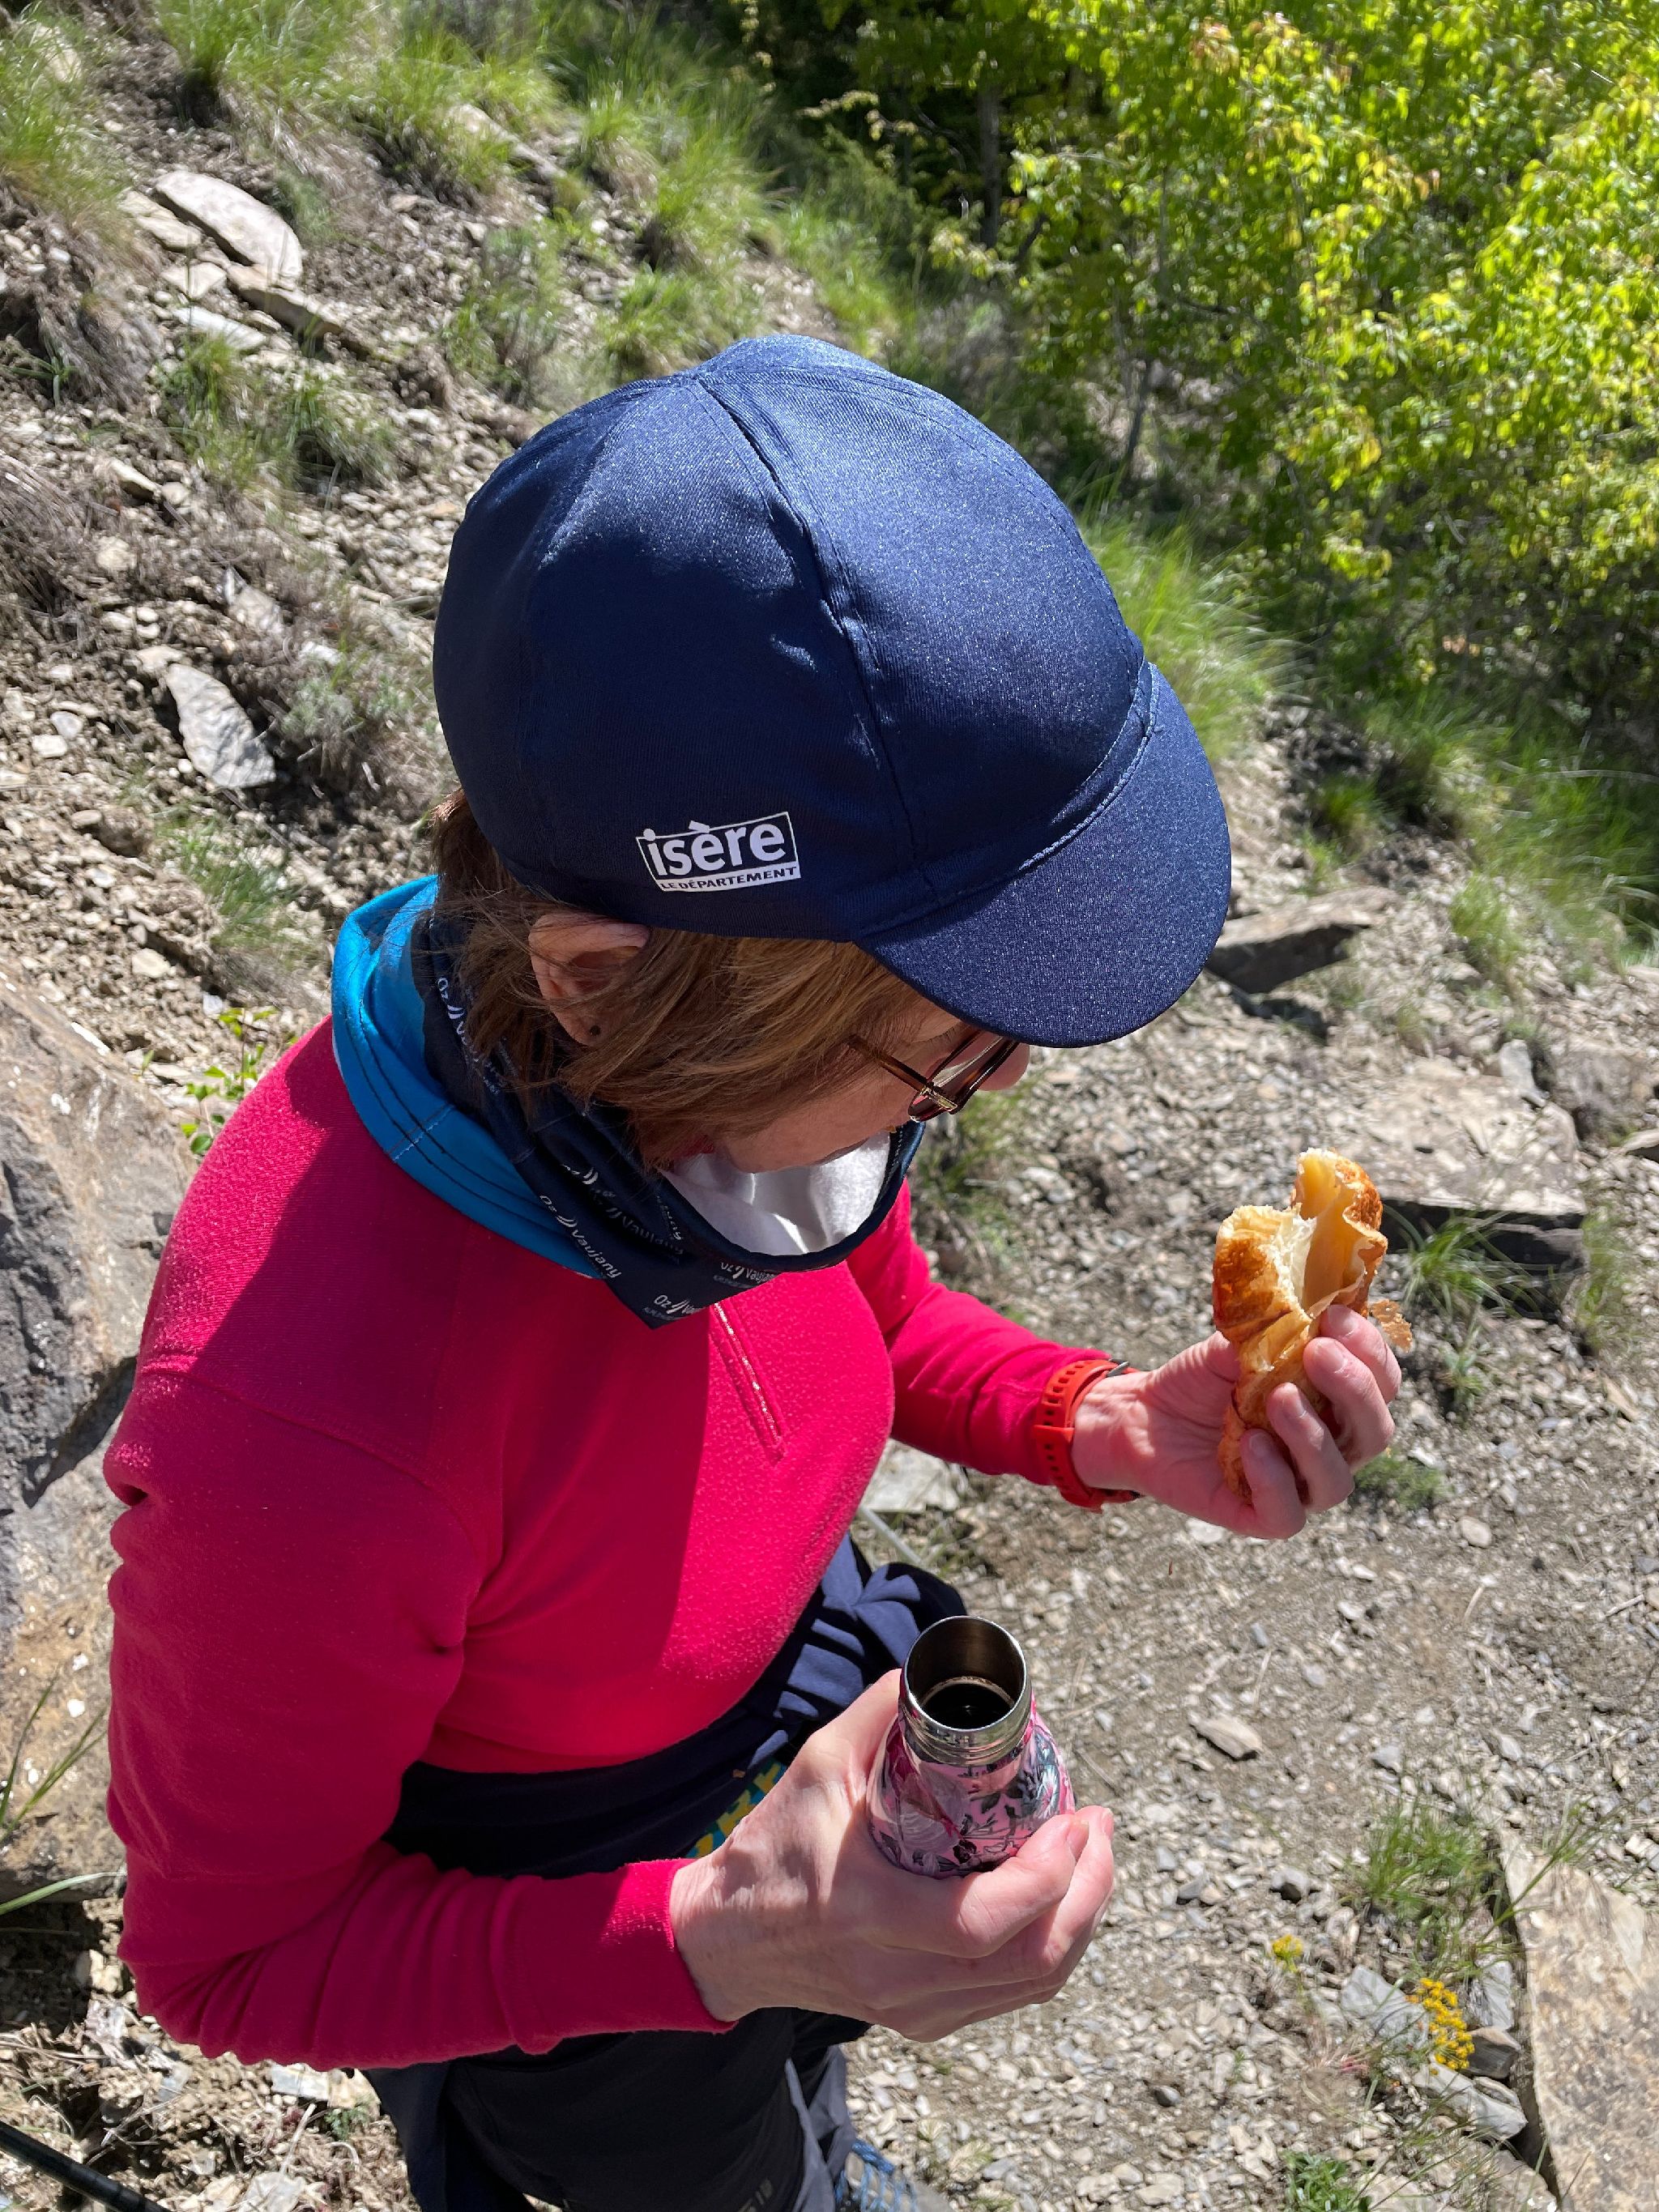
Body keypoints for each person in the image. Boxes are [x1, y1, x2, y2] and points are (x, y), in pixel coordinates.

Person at [104, 337, 1401, 2212]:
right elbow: (226, 1963)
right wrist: (724, 1935)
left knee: (799, 2112)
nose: (996, 1077)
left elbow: (867, 1313)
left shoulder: (707, 1095)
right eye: (948, 1039)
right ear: (604, 976)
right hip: (582, 1995)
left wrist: (1102, 1420)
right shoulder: (313, 1433)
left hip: (774, 1777)